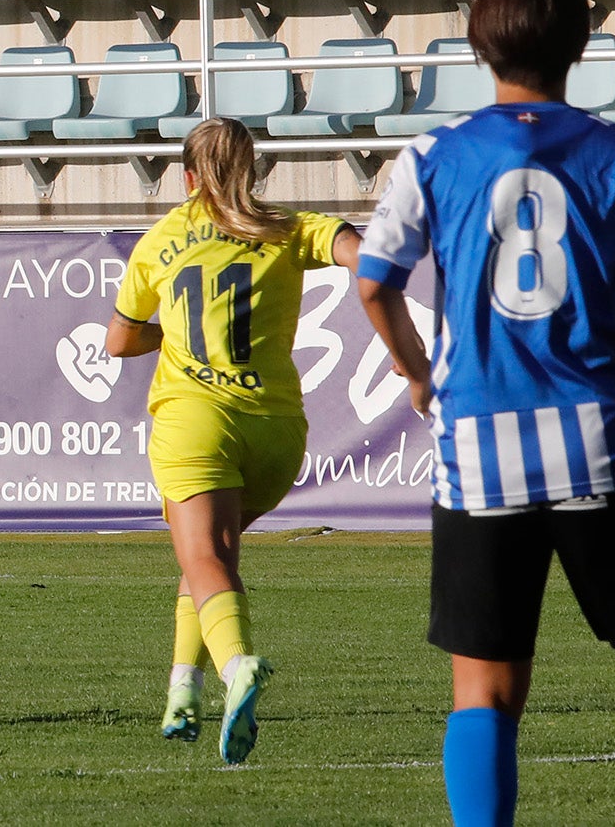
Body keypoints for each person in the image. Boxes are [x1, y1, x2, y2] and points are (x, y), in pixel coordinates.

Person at [357, 0, 615, 825]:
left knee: (483, 691)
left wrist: (418, 369)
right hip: (599, 436)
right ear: (584, 42)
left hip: (479, 449)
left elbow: (375, 280)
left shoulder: (431, 156)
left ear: (475, 40)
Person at [106, 117, 361, 764]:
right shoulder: (286, 229)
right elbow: (363, 250)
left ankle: (236, 668)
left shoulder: (161, 240)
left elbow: (119, 341)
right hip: (276, 431)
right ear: (254, 172)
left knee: (206, 560)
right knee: (209, 560)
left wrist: (175, 334)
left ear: (188, 178)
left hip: (197, 423)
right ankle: (181, 691)